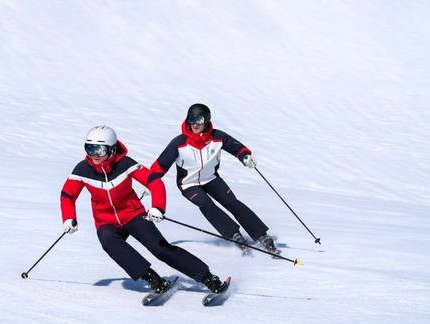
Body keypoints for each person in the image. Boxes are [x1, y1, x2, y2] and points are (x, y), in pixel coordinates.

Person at [60, 125, 227, 295]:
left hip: (133, 215)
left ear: (111, 149)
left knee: (160, 249)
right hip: (105, 221)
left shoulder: (125, 164)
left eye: (99, 150)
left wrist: (157, 207)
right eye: (89, 148)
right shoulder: (82, 170)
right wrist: (68, 217)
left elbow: (154, 182)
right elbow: (67, 195)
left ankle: (207, 278)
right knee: (109, 242)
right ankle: (153, 279)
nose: (94, 155)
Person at [150, 103, 279, 254]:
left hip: (211, 179)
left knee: (232, 202)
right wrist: (150, 182)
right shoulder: (179, 143)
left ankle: (261, 235)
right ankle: (233, 234)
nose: (194, 123)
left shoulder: (217, 137)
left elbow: (236, 147)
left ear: (206, 120)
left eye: (198, 119)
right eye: (191, 119)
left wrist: (245, 156)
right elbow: (160, 165)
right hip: (188, 184)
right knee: (205, 204)